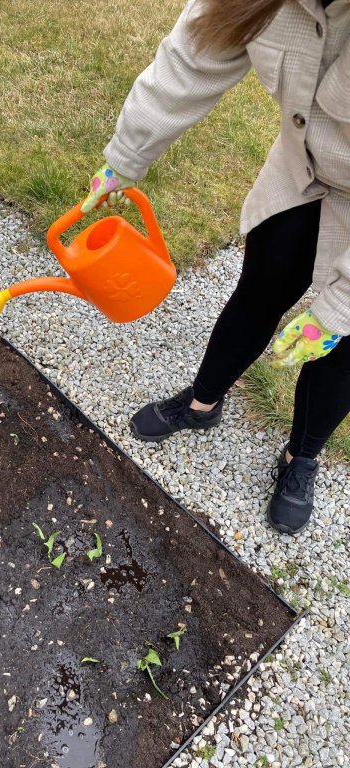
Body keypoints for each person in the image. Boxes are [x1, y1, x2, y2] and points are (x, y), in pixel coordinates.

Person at [81, 0, 350, 535]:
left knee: (341, 342)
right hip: (302, 168)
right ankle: (203, 406)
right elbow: (193, 58)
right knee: (260, 289)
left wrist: (340, 307)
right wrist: (124, 158)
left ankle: (301, 459)